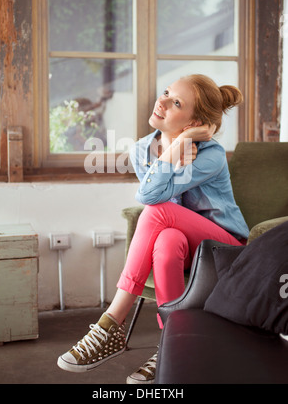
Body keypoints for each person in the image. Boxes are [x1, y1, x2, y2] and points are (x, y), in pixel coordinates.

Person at [57, 74, 249, 383]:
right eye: (167, 93)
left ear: (194, 122)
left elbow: (151, 199)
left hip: (223, 248)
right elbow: (158, 200)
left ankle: (111, 323)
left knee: (158, 211)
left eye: (175, 103)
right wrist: (176, 147)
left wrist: (181, 145)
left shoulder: (210, 155)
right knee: (167, 241)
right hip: (184, 245)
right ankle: (172, 344)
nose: (161, 101)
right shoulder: (141, 150)